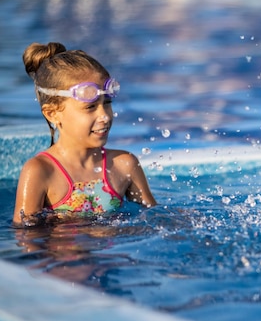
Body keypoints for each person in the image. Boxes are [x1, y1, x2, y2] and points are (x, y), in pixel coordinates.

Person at [13, 42, 156, 227]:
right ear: (52, 113)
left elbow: (154, 220)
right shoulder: (40, 171)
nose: (104, 116)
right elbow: (26, 238)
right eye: (90, 107)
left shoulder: (124, 165)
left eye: (108, 103)